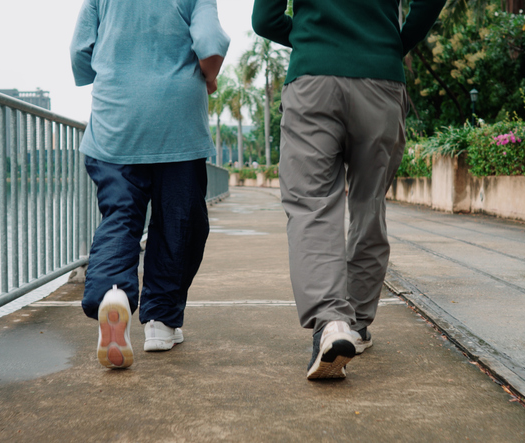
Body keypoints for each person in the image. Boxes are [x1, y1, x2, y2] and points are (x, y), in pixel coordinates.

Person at [252, 0, 445, 380]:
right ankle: (354, 324)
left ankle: (331, 322)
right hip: (381, 80)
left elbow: (264, 19)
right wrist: (393, 44)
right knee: (369, 205)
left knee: (311, 206)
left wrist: (313, 40)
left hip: (313, 82)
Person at [70, 0, 230, 369]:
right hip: (177, 124)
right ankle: (160, 321)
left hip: (115, 124)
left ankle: (113, 295)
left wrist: (116, 73)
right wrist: (209, 76)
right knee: (179, 223)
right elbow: (208, 41)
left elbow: (80, 51)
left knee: (121, 218)